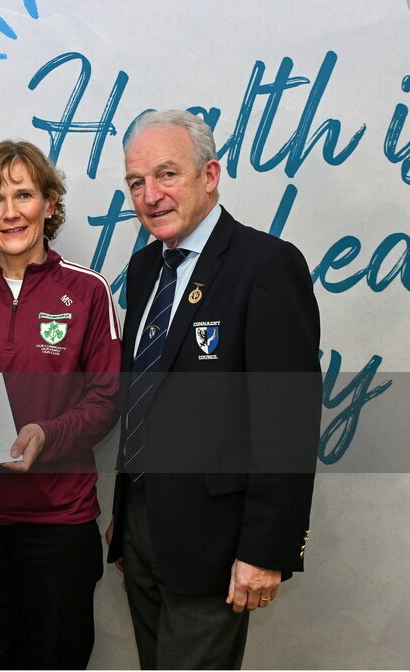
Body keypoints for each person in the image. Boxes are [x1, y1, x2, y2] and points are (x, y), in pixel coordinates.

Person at [106, 110, 322, 669]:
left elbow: (288, 424)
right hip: (143, 530)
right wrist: (130, 518)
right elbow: (145, 398)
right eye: (136, 182)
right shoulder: (145, 269)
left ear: (210, 175)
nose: (149, 195)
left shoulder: (267, 265)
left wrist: (264, 551)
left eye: (166, 174)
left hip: (218, 544)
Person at [0, 140, 121, 669]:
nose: (10, 211)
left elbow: (106, 399)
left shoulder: (88, 292)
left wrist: (46, 435)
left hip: (57, 522)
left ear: (49, 205)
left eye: (24, 195)